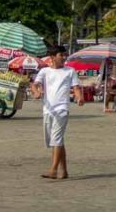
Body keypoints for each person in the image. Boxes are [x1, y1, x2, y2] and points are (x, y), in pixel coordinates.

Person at [30, 45, 83, 180]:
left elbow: (76, 87)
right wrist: (36, 92)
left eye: (65, 55)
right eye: (61, 55)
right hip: (48, 109)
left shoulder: (70, 71)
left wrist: (79, 97)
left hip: (62, 109)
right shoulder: (45, 71)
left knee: (56, 139)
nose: (64, 58)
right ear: (53, 57)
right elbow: (35, 84)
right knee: (56, 141)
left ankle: (53, 170)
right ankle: (64, 171)